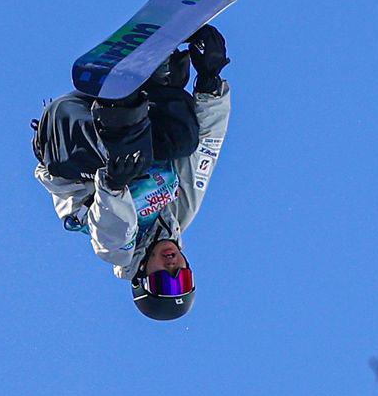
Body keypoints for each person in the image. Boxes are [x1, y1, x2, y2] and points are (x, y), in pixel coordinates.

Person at [33, 27, 231, 321]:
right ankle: (156, 72)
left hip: (68, 139)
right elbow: (205, 152)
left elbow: (113, 227)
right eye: (183, 278)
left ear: (141, 278)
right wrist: (210, 82)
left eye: (165, 281)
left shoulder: (118, 251)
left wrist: (113, 186)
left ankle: (121, 99)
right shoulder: (178, 213)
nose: (173, 267)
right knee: (183, 140)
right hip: (119, 122)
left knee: (133, 165)